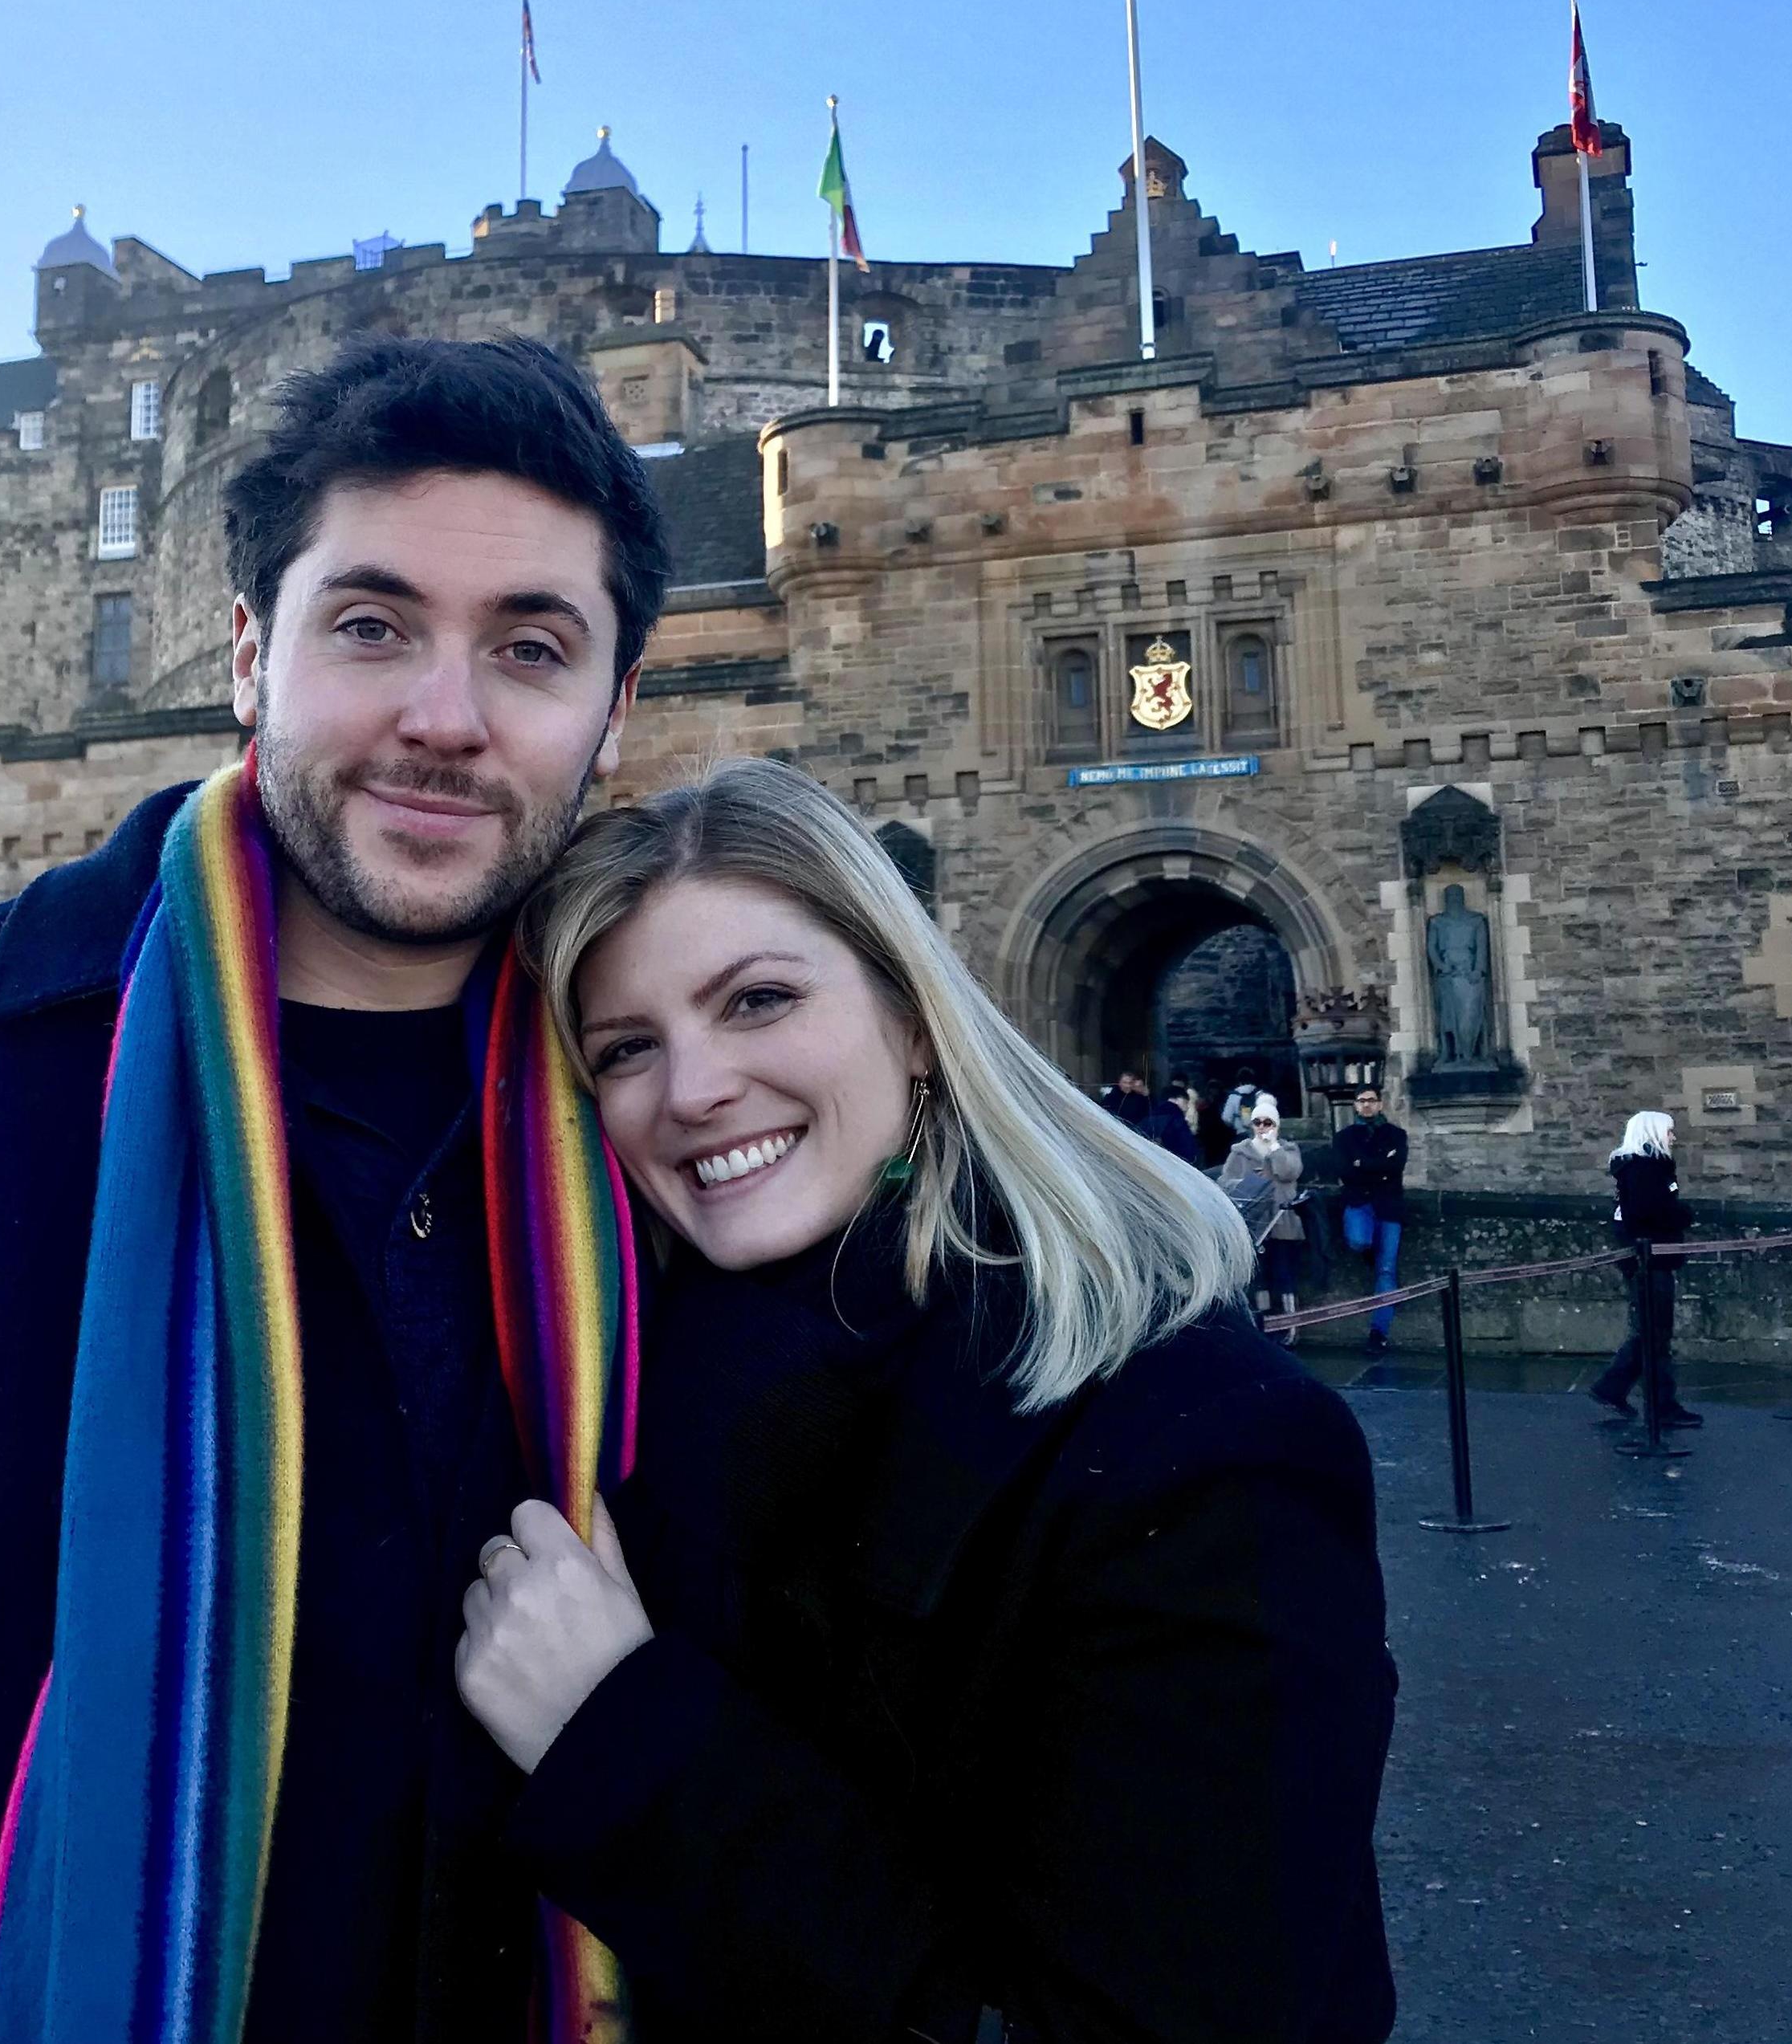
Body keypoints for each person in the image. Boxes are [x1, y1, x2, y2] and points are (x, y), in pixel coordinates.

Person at [0, 336, 672, 2042]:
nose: (444, 716)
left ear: (614, 711)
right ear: (248, 655)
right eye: (370, 626)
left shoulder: (681, 1107)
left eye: (531, 648)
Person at [454, 761, 1399, 2042]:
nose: (693, 1089)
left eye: (759, 1000)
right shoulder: (611, 1403)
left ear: (911, 1017)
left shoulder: (1201, 1447)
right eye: (626, 1048)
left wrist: (619, 1736)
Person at [1590, 1110, 1703, 1427]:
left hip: (1651, 1257)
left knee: (1651, 1333)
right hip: (1649, 1258)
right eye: (1669, 1131)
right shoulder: (1645, 1169)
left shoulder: (1647, 1167)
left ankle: (1614, 1388)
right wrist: (1682, 1215)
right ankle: (1659, 1405)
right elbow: (1649, 1213)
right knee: (1655, 1335)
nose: (1673, 1137)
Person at [1334, 1087, 1410, 1350]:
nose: (1366, 1106)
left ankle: (1379, 1331)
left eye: (1371, 1101)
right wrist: (1378, 1165)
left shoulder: (1397, 1135)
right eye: (1362, 1101)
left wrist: (1361, 1164)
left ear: (1380, 1104)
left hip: (1389, 1207)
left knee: (1386, 1270)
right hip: (1359, 1203)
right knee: (1357, 1241)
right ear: (1355, 1105)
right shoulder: (1343, 1137)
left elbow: (1396, 1165)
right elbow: (1345, 1170)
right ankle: (1369, 1252)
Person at [1221, 1091, 1307, 1321]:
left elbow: (1289, 1172)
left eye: (1268, 1122)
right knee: (1259, 1276)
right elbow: (1225, 1183)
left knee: (1284, 1273)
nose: (1262, 1127)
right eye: (1257, 1122)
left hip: (1282, 1221)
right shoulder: (1240, 1151)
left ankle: (1290, 1325)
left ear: (1276, 1124)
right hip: (1254, 1222)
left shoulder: (1288, 1149)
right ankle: (1264, 1322)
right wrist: (1248, 1184)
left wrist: (1274, 1149)